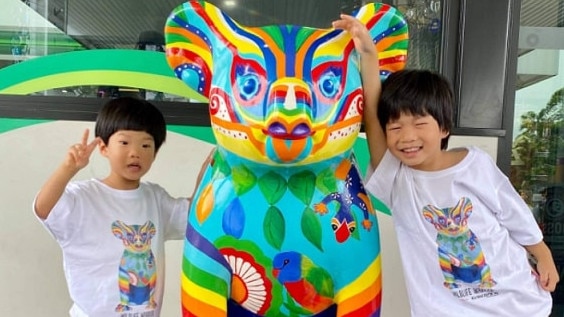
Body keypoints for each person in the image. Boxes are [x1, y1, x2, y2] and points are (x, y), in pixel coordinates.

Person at [333, 14, 560, 317]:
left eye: (419, 123)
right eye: (396, 127)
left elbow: (513, 212)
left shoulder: (473, 164)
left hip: (516, 305)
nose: (407, 137)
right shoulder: (397, 180)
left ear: (443, 127)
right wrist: (369, 56)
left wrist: (542, 254)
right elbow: (373, 118)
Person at [34, 97, 210, 317]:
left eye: (146, 145)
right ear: (103, 147)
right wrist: (67, 169)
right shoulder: (84, 196)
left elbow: (194, 216)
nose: (135, 152)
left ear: (155, 153)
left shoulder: (155, 197)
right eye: (125, 143)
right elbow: (44, 209)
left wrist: (210, 171)